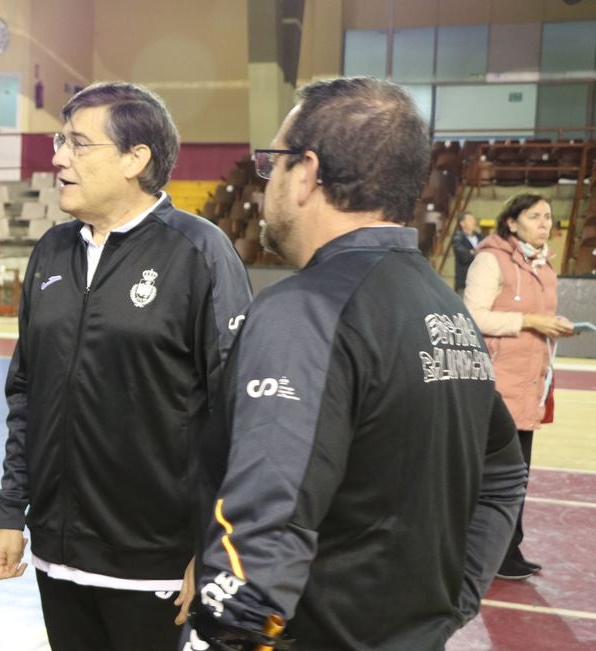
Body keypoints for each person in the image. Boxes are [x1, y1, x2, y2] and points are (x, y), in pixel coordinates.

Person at [182, 77, 527, 651]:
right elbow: (504, 472)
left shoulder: (303, 311)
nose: (266, 184)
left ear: (308, 173)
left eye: (274, 164)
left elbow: (268, 526)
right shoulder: (444, 308)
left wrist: (227, 632)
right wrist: (453, 602)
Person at [0, 81, 253, 651]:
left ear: (137, 159)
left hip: (154, 561)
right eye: (61, 141)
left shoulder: (199, 252)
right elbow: (26, 393)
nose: (58, 157)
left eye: (78, 144)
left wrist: (211, 546)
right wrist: (12, 510)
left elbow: (238, 413)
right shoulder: (52, 252)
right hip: (57, 554)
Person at [464, 192, 575, 581]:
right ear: (512, 222)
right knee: (490, 475)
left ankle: (508, 550)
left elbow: (535, 321)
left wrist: (554, 325)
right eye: (534, 216)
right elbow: (473, 317)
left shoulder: (545, 269)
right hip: (496, 385)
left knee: (518, 474)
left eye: (548, 216)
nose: (545, 223)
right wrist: (530, 321)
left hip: (530, 385)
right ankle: (479, 551)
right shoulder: (489, 260)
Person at [452, 211, 480, 292]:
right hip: (464, 281)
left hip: (479, 279)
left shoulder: (480, 236)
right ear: (462, 223)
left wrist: (472, 252)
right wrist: (477, 253)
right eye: (470, 220)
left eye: (473, 219)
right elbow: (464, 256)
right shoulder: (458, 238)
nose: (473, 222)